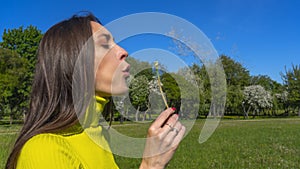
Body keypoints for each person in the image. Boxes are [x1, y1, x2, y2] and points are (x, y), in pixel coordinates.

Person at [6, 12, 185, 169]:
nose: (124, 51)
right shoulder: (43, 150)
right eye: (105, 44)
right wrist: (151, 165)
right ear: (73, 61)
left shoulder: (98, 134)